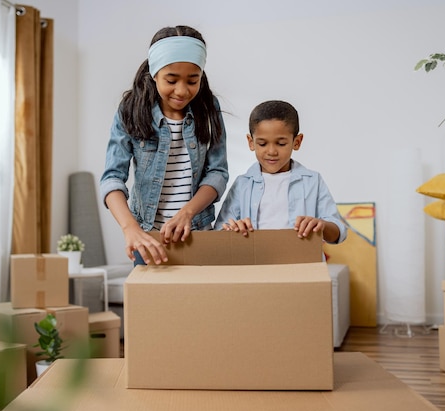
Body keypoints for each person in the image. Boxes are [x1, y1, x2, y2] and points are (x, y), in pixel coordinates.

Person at [100, 25, 228, 265]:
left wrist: (187, 213)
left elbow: (217, 172)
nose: (182, 90)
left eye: (193, 80)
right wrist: (130, 229)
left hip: (199, 234)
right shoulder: (130, 110)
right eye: (171, 80)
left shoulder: (209, 108)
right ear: (154, 72)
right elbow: (112, 178)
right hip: (147, 239)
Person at [214, 100, 345, 244]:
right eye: (262, 144)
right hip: (255, 265)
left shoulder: (312, 181)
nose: (271, 151)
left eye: (281, 143)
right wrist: (231, 230)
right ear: (251, 142)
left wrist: (321, 225)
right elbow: (220, 230)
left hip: (301, 264)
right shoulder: (242, 184)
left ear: (297, 142)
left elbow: (338, 232)